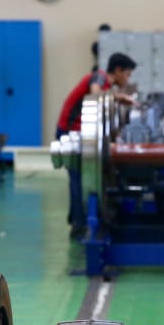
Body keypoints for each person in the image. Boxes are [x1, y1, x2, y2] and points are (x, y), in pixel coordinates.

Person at [56, 52, 137, 238]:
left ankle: (79, 218)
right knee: (79, 180)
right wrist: (120, 97)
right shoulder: (99, 77)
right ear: (117, 70)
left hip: (82, 134)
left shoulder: (107, 85)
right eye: (127, 74)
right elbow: (95, 94)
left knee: (86, 180)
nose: (127, 79)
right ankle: (79, 226)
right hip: (71, 134)